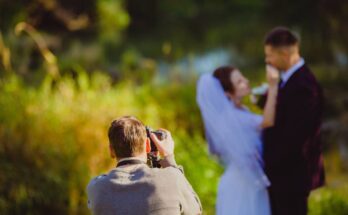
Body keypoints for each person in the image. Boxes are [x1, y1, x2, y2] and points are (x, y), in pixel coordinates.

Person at [196, 65, 279, 215]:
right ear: (227, 93)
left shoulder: (239, 112)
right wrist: (273, 88)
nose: (246, 81)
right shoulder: (232, 118)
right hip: (242, 185)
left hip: (245, 179)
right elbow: (267, 121)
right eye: (239, 81)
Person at [262, 27, 325, 215]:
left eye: (269, 55)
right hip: (284, 174)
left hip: (291, 176)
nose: (267, 61)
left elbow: (297, 137)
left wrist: (269, 164)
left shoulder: (305, 86)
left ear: (283, 54)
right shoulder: (289, 79)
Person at [86, 116, 202, 215]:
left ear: (111, 150)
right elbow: (196, 210)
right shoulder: (172, 179)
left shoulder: (96, 188)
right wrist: (169, 159)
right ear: (147, 145)